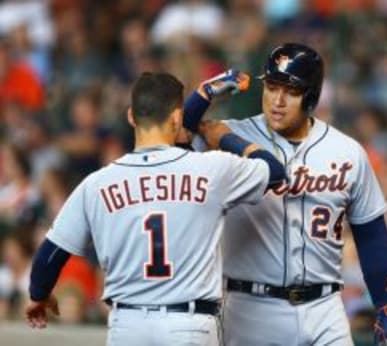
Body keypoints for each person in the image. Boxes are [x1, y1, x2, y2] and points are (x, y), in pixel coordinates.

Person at [24, 71, 286, 346]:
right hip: (188, 325)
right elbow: (276, 172)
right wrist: (225, 138)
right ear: (176, 117)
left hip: (127, 326)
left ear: (130, 116)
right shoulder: (211, 169)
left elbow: (49, 255)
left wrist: (39, 295)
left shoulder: (97, 183)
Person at [191, 43, 387, 345]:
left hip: (325, 306)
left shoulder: (347, 152)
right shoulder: (227, 135)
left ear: (311, 97)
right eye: (272, 87)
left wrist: (385, 306)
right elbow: (170, 148)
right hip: (251, 307)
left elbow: (371, 234)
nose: (277, 100)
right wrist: (202, 97)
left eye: (291, 91)